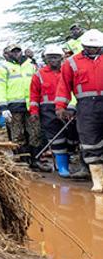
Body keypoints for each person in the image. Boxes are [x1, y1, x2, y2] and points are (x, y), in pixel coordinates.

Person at [57, 29, 103, 192]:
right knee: (90, 140)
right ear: (83, 45)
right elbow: (64, 85)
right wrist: (61, 106)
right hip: (86, 106)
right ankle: (98, 181)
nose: (92, 49)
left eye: (95, 47)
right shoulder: (72, 62)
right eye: (89, 47)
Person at [32, 46, 79, 178]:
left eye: (56, 57)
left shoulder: (68, 71)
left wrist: (71, 107)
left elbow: (75, 90)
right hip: (47, 110)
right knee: (56, 138)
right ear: (45, 59)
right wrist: (34, 111)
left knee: (72, 135)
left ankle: (71, 160)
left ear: (62, 58)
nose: (53, 60)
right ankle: (62, 166)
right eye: (50, 57)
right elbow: (34, 95)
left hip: (67, 108)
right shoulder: (39, 74)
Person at [0, 44, 42, 169]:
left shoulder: (31, 66)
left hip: (31, 105)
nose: (16, 53)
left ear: (21, 52)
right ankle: (23, 160)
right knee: (18, 135)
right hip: (13, 107)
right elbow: (0, 88)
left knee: (35, 132)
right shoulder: (3, 67)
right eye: (13, 52)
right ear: (8, 54)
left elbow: (37, 85)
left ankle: (35, 160)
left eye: (18, 51)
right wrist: (3, 107)